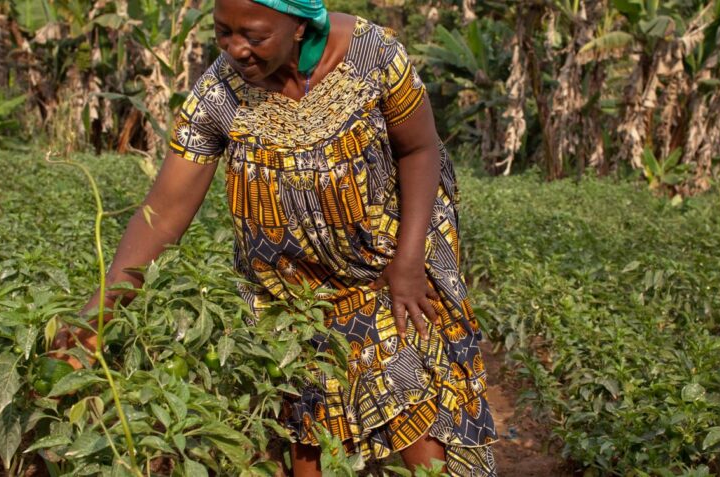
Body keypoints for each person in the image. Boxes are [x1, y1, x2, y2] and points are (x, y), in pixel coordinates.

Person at [53, 0, 497, 475]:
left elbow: (419, 148)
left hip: (387, 265)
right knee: (306, 426)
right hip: (289, 289)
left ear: (299, 26)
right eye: (223, 32)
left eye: (254, 36)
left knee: (416, 411)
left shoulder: (372, 55)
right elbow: (162, 215)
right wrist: (98, 314)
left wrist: (407, 263)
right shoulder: (217, 95)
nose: (235, 49)